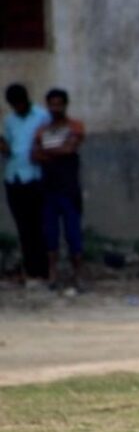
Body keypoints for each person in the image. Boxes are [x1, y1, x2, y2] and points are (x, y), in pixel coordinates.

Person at [31, 89, 85, 292]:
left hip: (69, 190)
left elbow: (70, 149)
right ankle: (53, 276)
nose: (55, 108)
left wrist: (47, 152)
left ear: (65, 105)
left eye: (59, 104)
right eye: (52, 104)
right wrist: (56, 152)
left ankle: (78, 275)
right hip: (48, 189)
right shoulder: (42, 130)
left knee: (73, 234)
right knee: (50, 234)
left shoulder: (75, 126)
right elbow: (34, 155)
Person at [1, 84, 49, 283]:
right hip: (14, 176)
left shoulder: (42, 116)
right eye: (13, 105)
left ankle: (44, 270)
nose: (17, 107)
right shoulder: (9, 120)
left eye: (19, 104)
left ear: (26, 100)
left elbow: (47, 143)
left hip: (35, 176)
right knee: (23, 226)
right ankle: (30, 270)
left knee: (39, 224)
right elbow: (9, 149)